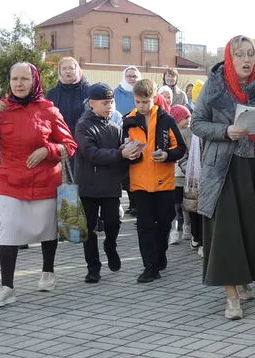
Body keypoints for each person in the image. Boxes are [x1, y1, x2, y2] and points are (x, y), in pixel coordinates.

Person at [0, 62, 77, 307]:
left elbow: (70, 146)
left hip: (45, 182)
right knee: (9, 231)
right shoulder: (0, 109)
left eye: (24, 79)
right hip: (10, 183)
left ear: (34, 81)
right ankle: (7, 288)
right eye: (14, 79)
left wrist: (47, 150)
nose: (19, 84)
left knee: (47, 230)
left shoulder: (49, 110)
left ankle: (48, 271)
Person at [191, 36, 255, 320]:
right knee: (227, 231)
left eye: (250, 54)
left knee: (251, 227)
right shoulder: (215, 84)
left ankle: (244, 280)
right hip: (222, 169)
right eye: (240, 54)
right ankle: (231, 296)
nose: (246, 60)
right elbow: (197, 123)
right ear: (230, 57)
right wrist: (225, 131)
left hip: (254, 167)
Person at [122, 78, 186, 282]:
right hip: (139, 182)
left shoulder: (166, 119)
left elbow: (181, 148)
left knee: (165, 222)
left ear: (154, 99)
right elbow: (121, 147)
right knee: (145, 225)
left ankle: (160, 253)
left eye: (145, 102)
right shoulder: (128, 120)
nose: (141, 106)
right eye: (138, 102)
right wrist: (126, 153)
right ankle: (150, 267)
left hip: (164, 182)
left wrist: (167, 155)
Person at [74, 83, 139, 283]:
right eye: (105, 103)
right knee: (89, 229)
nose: (109, 106)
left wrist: (131, 153)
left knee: (113, 222)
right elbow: (91, 154)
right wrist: (120, 154)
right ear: (92, 103)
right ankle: (93, 267)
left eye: (111, 102)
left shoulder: (115, 127)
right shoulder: (83, 125)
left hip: (110, 184)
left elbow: (119, 155)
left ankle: (110, 246)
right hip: (89, 185)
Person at [116, 66, 142, 215]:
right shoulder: (117, 93)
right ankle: (132, 202)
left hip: (140, 132)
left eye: (134, 76)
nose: (132, 79)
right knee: (126, 172)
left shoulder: (142, 91)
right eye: (129, 76)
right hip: (123, 132)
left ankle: (137, 203)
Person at [45, 57, 90, 137]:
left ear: (77, 70)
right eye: (64, 69)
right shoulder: (52, 94)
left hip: (84, 138)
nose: (67, 71)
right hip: (59, 138)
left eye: (71, 68)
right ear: (60, 72)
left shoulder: (89, 91)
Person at [168, 104, 192, 246]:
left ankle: (187, 227)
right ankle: (174, 230)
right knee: (175, 205)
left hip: (186, 176)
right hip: (175, 176)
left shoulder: (191, 133)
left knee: (186, 204)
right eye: (185, 117)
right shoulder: (171, 134)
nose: (188, 120)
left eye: (189, 117)